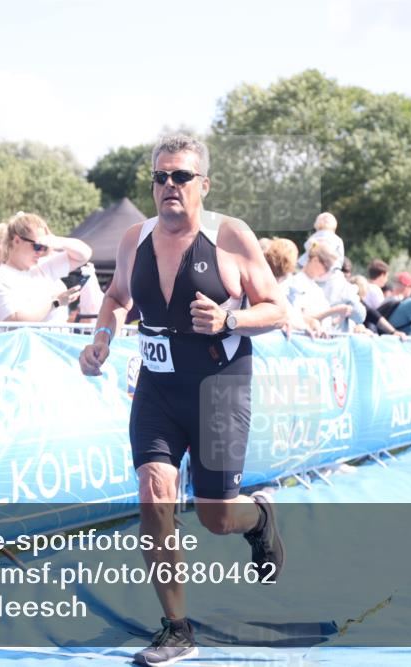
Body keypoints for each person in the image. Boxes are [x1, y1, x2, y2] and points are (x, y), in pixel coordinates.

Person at [78, 135, 288, 666]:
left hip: (220, 387)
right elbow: (115, 297)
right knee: (154, 494)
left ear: (203, 184)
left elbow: (278, 310)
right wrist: (103, 336)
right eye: (160, 176)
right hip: (157, 389)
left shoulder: (231, 237)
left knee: (217, 516)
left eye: (180, 176)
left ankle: (259, 518)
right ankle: (176, 628)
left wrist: (230, 319)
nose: (169, 186)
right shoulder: (133, 239)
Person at [0, 211, 91, 324]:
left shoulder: (43, 265)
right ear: (16, 241)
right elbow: (15, 320)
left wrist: (56, 241)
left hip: (55, 339)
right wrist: (55, 302)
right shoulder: (0, 278)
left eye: (44, 247)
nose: (40, 252)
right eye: (37, 246)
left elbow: (84, 255)